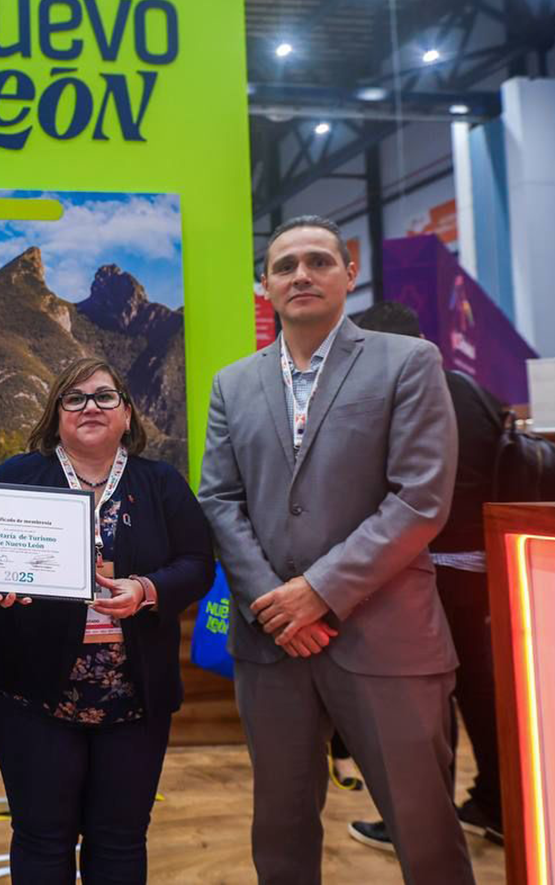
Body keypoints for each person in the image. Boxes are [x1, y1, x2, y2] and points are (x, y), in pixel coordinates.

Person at [198, 215, 474, 885]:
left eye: (318, 261)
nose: (301, 275)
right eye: (285, 265)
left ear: (349, 273)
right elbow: (220, 500)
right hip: (271, 643)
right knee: (281, 832)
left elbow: (419, 499)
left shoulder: (407, 362)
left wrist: (318, 592)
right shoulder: (233, 383)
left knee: (425, 832)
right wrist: (274, 605)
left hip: (386, 639)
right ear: (265, 285)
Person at [0, 357, 215, 883]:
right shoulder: (18, 476)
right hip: (29, 694)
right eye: (74, 398)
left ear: (127, 413)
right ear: (56, 414)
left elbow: (198, 564)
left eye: (105, 396)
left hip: (134, 696)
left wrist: (147, 588)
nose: (90, 407)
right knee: (41, 836)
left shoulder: (160, 483)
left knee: (120, 839)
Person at [347, 300, 505, 850]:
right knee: (477, 688)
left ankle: (419, 825)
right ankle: (496, 803)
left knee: (423, 699)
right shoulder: (472, 390)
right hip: (482, 568)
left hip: (425, 569)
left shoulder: (407, 396)